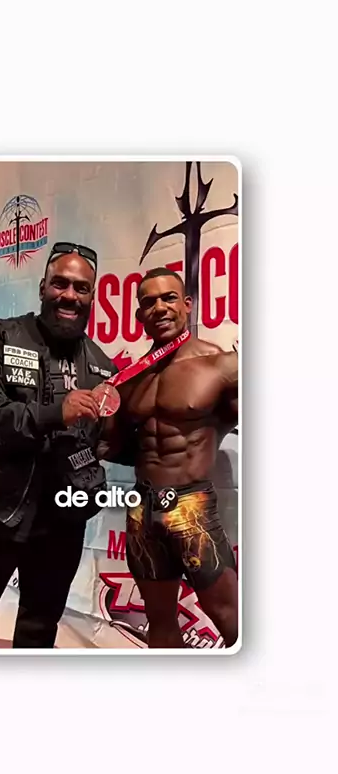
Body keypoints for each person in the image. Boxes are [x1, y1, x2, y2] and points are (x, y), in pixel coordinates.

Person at [0, 242, 117, 648]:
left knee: (38, 636)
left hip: (62, 525)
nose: (70, 295)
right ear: (43, 287)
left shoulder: (103, 366)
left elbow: (103, 443)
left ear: (93, 296)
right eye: (60, 283)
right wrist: (55, 413)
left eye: (81, 288)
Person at [99, 267, 238, 649]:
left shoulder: (222, 365)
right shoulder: (129, 379)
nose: (159, 307)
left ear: (188, 305)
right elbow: (112, 447)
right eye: (148, 302)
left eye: (169, 297)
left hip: (191, 509)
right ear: (139, 315)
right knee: (158, 620)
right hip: (141, 511)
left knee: (232, 621)